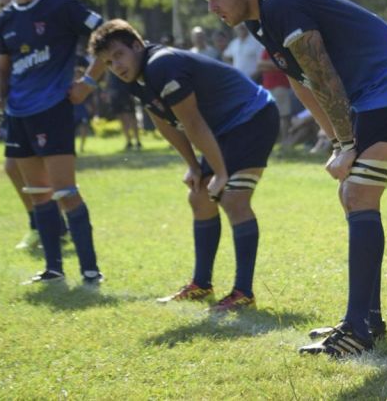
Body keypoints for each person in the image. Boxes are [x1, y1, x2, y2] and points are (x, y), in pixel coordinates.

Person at [186, 0, 387, 357]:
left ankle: (358, 330)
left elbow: (323, 74)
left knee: (358, 193)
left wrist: (349, 143)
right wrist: (337, 141)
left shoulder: (279, 2)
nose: (210, 6)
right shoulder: (259, 19)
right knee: (350, 194)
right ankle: (366, 320)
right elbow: (302, 82)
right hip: (373, 91)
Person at [89, 19, 279, 312]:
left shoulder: (162, 65)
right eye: (108, 62)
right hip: (222, 129)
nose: (116, 65)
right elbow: (166, 125)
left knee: (233, 197)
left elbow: (192, 122)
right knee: (199, 196)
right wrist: (193, 166)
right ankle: (201, 285)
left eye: (119, 55)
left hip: (252, 116)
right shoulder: (136, 79)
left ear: (137, 46)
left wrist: (221, 173)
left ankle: (243, 292)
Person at [0, 0, 104, 285]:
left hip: (53, 109)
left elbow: (108, 33)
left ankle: (90, 270)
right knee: (38, 193)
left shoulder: (61, 5)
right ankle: (53, 269)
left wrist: (88, 82)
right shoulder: (5, 18)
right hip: (18, 114)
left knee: (64, 191)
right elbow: (2, 71)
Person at [106, 71, 142, 150]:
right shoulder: (110, 69)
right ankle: (128, 141)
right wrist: (108, 93)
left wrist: (132, 93)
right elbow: (108, 81)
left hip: (127, 94)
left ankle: (137, 141)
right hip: (116, 95)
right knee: (121, 119)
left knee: (131, 118)